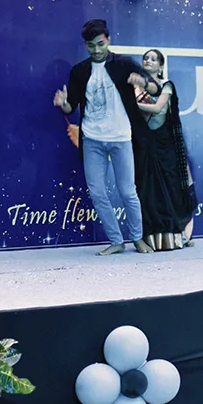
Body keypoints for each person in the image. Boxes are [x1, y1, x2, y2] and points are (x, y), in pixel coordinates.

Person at [54, 19, 157, 255]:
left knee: (128, 191)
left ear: (108, 40)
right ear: (85, 45)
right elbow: (71, 107)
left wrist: (143, 82)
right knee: (97, 192)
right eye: (91, 45)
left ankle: (138, 238)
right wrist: (63, 103)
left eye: (101, 44)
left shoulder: (123, 63)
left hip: (121, 136)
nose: (97, 50)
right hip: (92, 139)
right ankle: (116, 241)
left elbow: (154, 88)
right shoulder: (79, 70)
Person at [131, 49, 199, 251]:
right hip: (144, 145)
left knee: (171, 187)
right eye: (146, 58)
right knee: (149, 190)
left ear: (161, 66)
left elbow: (158, 108)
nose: (148, 61)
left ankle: (179, 236)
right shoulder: (135, 88)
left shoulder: (166, 85)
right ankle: (152, 239)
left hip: (166, 145)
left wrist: (133, 105)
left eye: (153, 59)